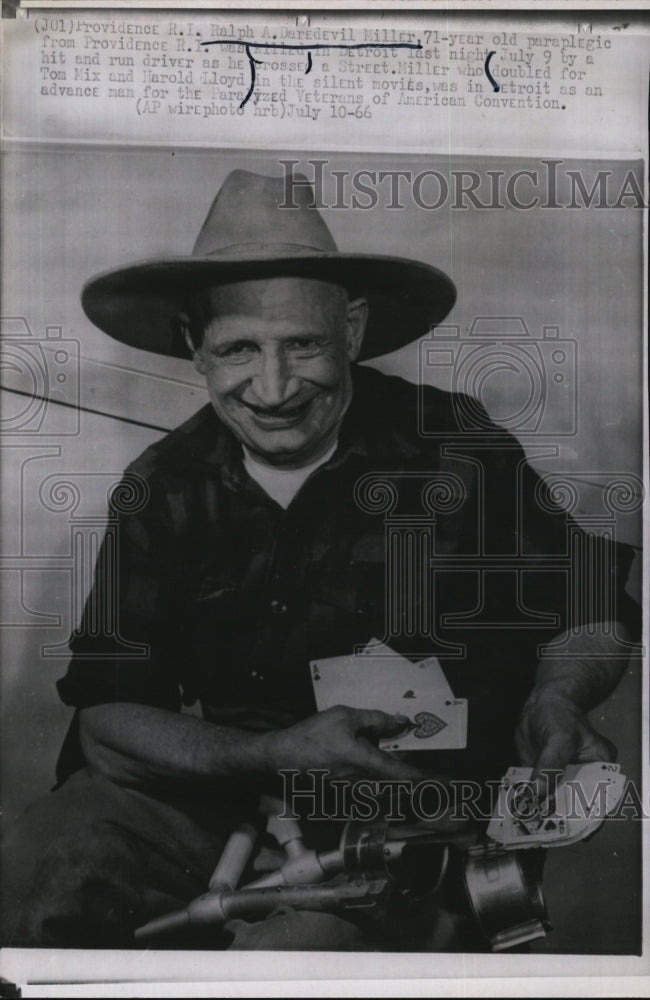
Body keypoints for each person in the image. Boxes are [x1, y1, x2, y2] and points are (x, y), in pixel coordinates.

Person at [1, 170, 639, 951]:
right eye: (238, 348)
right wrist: (267, 753)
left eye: (302, 343)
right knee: (42, 868)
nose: (272, 390)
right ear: (194, 348)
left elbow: (587, 600)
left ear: (354, 331)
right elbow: (107, 721)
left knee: (289, 959)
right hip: (228, 800)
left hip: (413, 825)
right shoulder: (160, 488)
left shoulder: (454, 446)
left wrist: (559, 701)